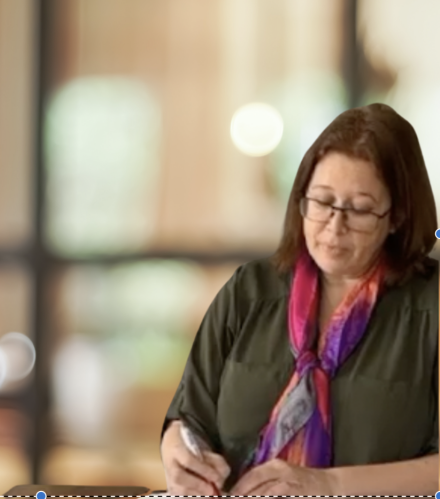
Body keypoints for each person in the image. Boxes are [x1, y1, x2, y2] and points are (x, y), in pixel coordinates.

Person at [160, 103, 439, 495]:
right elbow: (188, 419)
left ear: (398, 216)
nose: (334, 227)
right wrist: (177, 454)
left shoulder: (431, 305)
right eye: (322, 202)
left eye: (360, 209)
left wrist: (326, 485)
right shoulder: (249, 290)